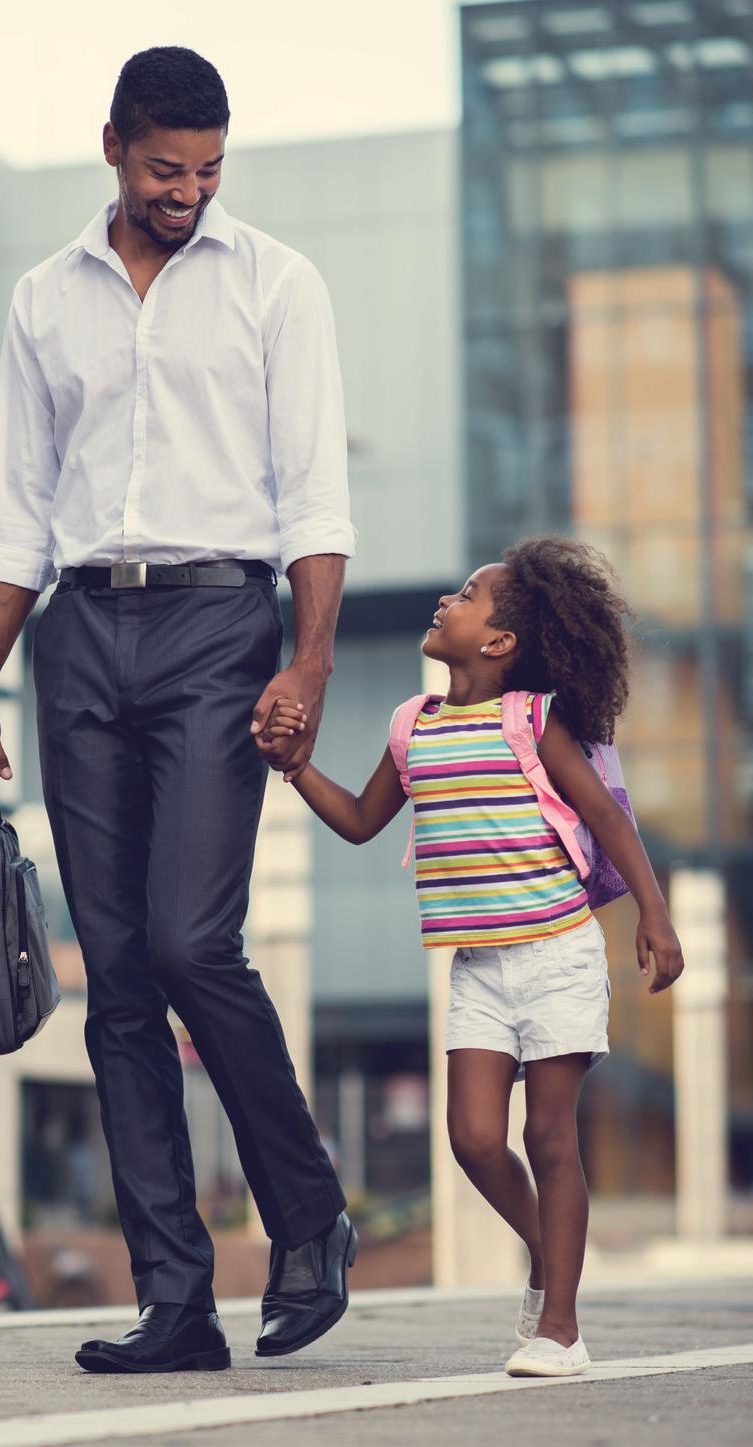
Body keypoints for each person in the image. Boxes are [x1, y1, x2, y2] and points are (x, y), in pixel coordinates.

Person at [0, 46, 357, 1374]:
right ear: (114, 146)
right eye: (165, 170)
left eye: (208, 172)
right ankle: (176, 1299)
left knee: (191, 939)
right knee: (117, 981)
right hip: (77, 635)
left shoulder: (277, 284)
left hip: (215, 626)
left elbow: (314, 500)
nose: (187, 193)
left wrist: (307, 663)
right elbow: (16, 508)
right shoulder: (40, 299)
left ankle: (307, 1217)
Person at [258, 536, 685, 1378]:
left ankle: (559, 1328)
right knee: (474, 1140)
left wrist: (654, 914)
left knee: (549, 1136)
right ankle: (546, 1252)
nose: (447, 602)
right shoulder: (413, 726)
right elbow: (357, 819)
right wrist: (295, 767)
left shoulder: (534, 721)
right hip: (478, 967)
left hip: (558, 949)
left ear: (499, 643)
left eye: (467, 596)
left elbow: (606, 817)